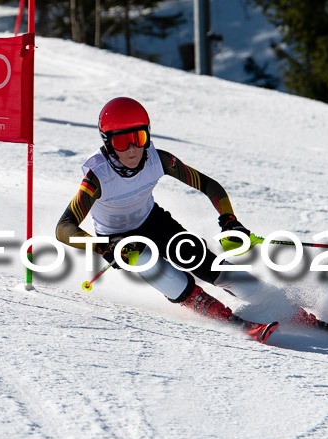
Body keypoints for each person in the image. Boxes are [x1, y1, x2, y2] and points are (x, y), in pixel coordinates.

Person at [54, 96, 275, 329]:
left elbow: (209, 186)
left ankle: (274, 303)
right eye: (121, 142)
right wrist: (100, 247)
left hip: (153, 222)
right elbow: (63, 227)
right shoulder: (97, 177)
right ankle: (214, 310)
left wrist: (229, 220)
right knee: (142, 257)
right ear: (108, 143)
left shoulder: (158, 159)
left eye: (138, 138)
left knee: (195, 255)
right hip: (117, 237)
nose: (132, 150)